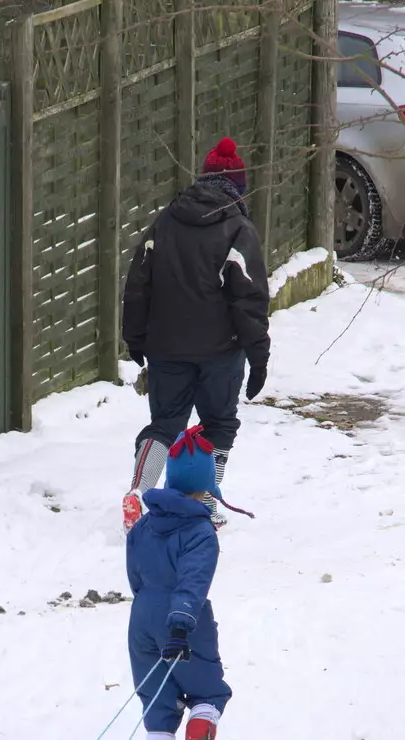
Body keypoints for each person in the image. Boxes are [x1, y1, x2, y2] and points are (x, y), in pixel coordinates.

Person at [120, 136, 272, 533]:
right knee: (219, 424)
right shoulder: (238, 230)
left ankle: (138, 491)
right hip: (220, 352)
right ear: (237, 187)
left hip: (166, 347)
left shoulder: (165, 221)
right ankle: (204, 499)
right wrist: (258, 357)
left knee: (164, 424)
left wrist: (135, 338)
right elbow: (248, 300)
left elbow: (139, 283)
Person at [126, 426, 248, 740]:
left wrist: (147, 608)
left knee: (158, 699)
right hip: (182, 621)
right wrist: (179, 624)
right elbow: (193, 581)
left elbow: (135, 572)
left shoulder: (144, 524)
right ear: (207, 488)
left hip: (141, 619)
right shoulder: (200, 531)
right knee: (209, 692)